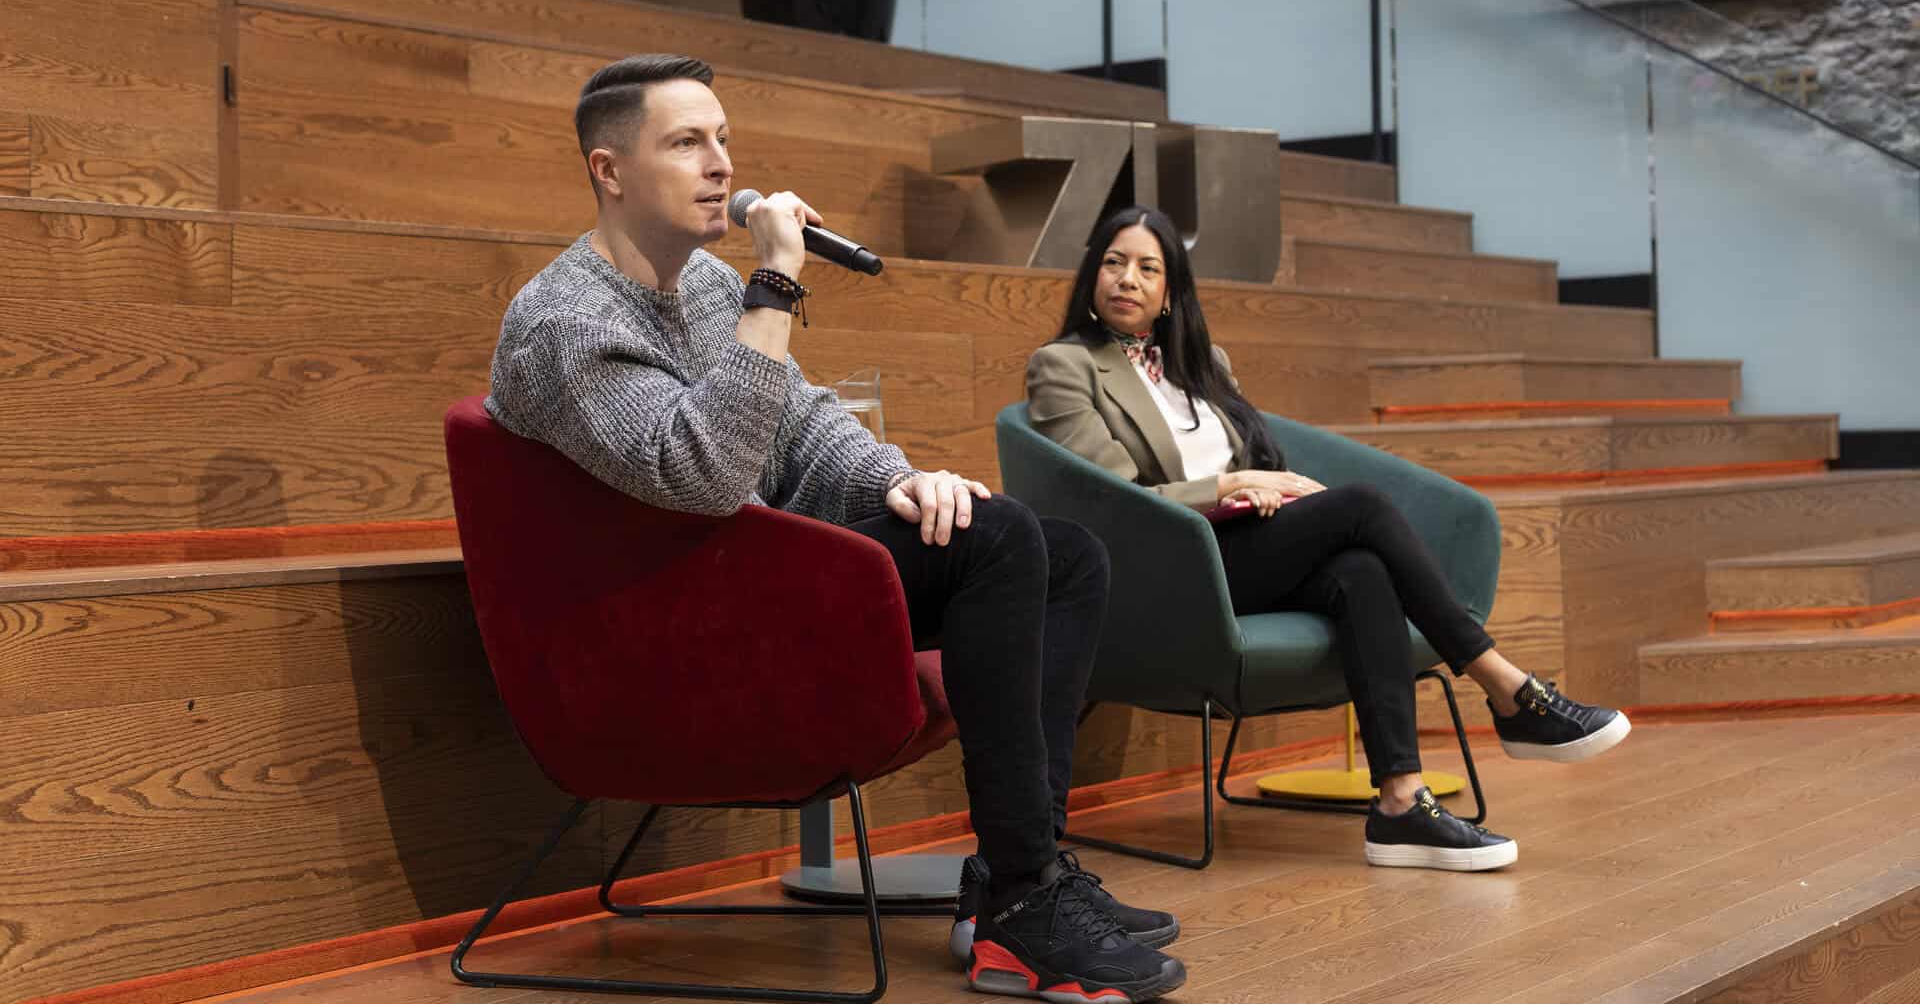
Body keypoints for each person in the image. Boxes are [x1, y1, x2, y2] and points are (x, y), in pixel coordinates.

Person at [485, 56, 1185, 1002]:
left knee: (1065, 555)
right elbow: (704, 472)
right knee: (1000, 543)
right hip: (665, 635)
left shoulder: (701, 288)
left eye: (723, 139)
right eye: (687, 143)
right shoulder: (564, 320)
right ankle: (1024, 901)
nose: (722, 165)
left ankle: (1020, 877)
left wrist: (904, 481)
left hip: (737, 581)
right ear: (608, 171)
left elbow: (802, 423)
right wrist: (774, 283)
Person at [1025, 206, 1631, 873]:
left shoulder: (1205, 365)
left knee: (1362, 571)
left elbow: (1250, 457)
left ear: (1171, 292)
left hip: (1242, 546)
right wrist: (1230, 486)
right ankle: (1507, 688)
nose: (1128, 279)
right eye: (1114, 262)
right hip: (1168, 568)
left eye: (1148, 268)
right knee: (1362, 507)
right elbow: (1116, 500)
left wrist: (1254, 489)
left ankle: (1400, 803)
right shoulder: (1064, 366)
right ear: (1093, 273)